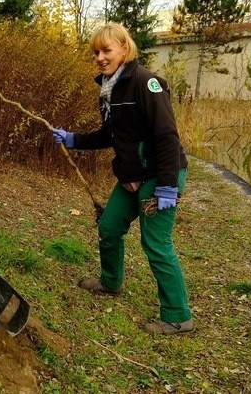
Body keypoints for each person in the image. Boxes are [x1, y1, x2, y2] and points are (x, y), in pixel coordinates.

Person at [51, 23, 193, 335]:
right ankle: (111, 281)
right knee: (109, 227)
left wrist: (169, 185)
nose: (100, 57)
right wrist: (73, 139)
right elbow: (110, 134)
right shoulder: (108, 88)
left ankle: (178, 316)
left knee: (155, 243)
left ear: (124, 50)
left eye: (106, 50)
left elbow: (167, 136)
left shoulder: (147, 83)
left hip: (159, 177)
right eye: (96, 53)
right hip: (131, 178)